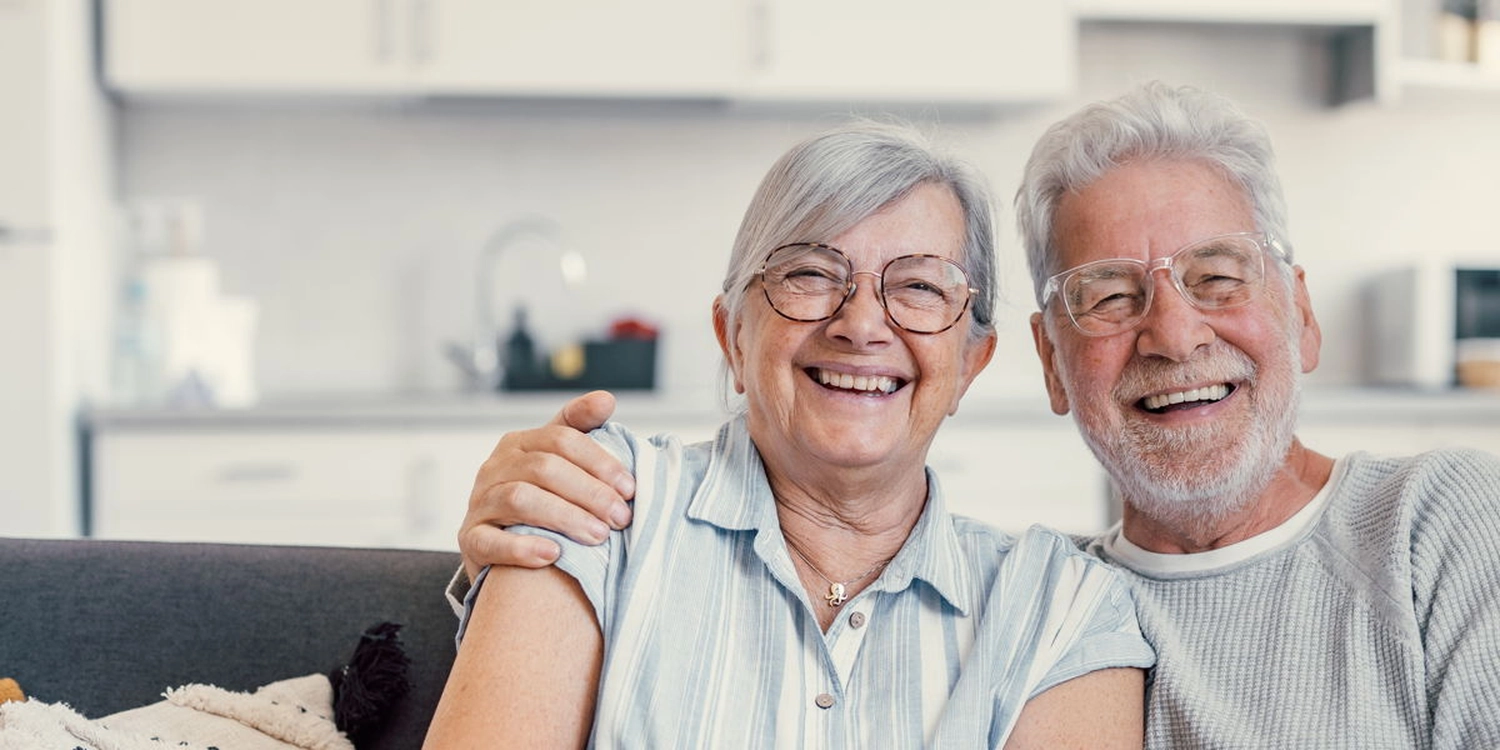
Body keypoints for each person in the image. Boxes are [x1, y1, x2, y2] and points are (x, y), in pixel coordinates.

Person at [454, 81, 1500, 748]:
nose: (1175, 336)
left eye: (1218, 277)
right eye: (1108, 295)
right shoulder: (602, 501)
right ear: (1047, 363)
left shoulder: (1064, 612)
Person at [423, 122, 1154, 749]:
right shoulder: (596, 502)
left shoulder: (1062, 609)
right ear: (734, 337)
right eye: (810, 274)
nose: (861, 325)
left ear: (970, 363)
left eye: (920, 286)